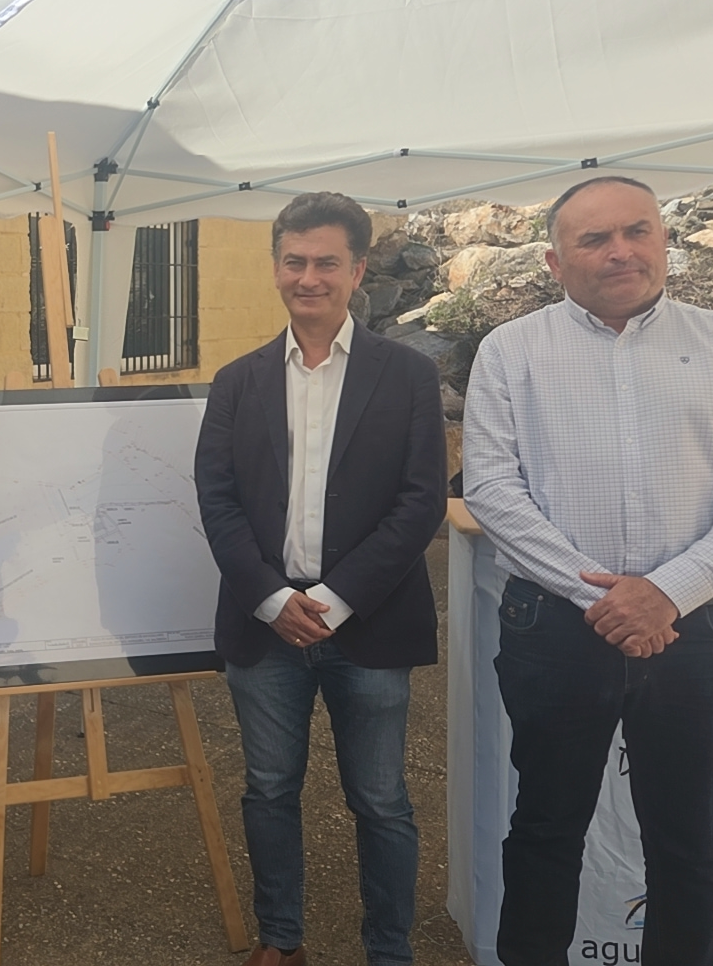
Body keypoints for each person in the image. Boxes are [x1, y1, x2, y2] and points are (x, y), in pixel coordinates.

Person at [462, 176, 713, 966]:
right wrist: (607, 596)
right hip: (555, 627)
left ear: (664, 239)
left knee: (688, 840)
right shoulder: (511, 352)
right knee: (545, 828)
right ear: (555, 262)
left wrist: (665, 593)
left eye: (637, 231)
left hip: (700, 630)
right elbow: (491, 488)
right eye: (594, 239)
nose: (620, 251)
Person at [194, 192, 446, 966]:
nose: (309, 278)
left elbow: (421, 501)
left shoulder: (408, 375)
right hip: (265, 626)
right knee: (269, 789)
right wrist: (274, 599)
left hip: (369, 621)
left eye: (326, 263)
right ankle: (281, 939)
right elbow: (217, 498)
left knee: (381, 800)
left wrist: (335, 601)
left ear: (357, 270)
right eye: (295, 262)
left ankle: (389, 949)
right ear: (276, 268)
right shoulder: (236, 382)